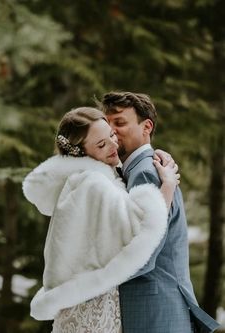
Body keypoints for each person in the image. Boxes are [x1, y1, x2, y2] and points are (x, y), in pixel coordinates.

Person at [23, 107, 180, 333]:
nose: (114, 145)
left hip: (82, 297)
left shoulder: (81, 180)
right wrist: (168, 185)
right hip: (92, 305)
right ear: (80, 152)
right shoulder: (93, 183)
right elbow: (141, 228)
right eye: (101, 145)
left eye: (112, 136)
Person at [100, 92, 220, 333]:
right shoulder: (141, 168)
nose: (111, 131)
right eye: (107, 124)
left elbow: (143, 255)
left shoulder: (145, 172)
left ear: (147, 127)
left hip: (153, 310)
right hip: (157, 308)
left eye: (120, 123)